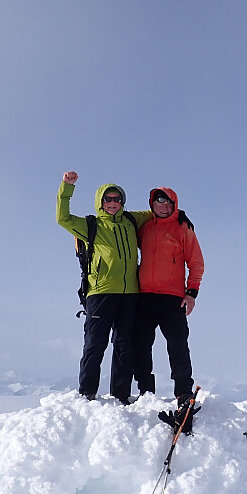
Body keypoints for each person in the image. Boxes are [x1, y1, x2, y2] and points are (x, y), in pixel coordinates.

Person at [56, 171, 152, 403]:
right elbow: (63, 218)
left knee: (124, 345)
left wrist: (178, 213)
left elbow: (158, 212)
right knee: (94, 344)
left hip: (130, 294)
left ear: (122, 202)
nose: (112, 203)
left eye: (116, 199)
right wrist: (67, 187)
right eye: (107, 199)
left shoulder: (131, 220)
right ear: (100, 201)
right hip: (100, 293)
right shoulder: (91, 225)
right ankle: (87, 392)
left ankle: (120, 395)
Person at [133, 187, 204, 405]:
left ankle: (183, 391)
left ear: (175, 204)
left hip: (173, 298)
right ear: (152, 204)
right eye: (159, 202)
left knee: (177, 344)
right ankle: (145, 391)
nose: (163, 206)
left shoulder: (183, 229)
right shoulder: (145, 228)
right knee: (141, 345)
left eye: (168, 203)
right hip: (144, 297)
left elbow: (196, 263)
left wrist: (191, 293)